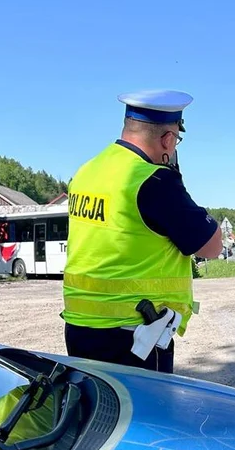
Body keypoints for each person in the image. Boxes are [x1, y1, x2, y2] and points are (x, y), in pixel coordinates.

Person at [61, 90, 223, 373]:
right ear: (168, 139)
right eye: (176, 141)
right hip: (133, 336)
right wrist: (177, 181)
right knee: (141, 415)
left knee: (95, 413)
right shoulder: (154, 180)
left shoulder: (86, 172)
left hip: (80, 328)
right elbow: (211, 246)